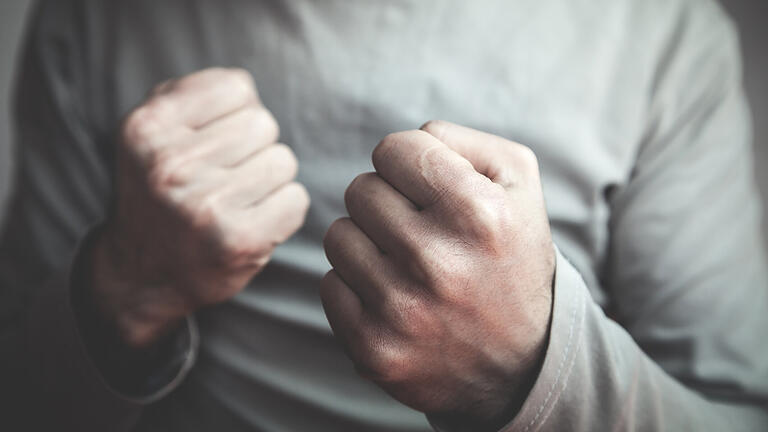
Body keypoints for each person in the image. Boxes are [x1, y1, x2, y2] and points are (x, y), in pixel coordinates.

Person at [1, 0, 767, 430]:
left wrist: (532, 372)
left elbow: (738, 412)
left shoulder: (665, 42)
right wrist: (128, 285)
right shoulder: (98, 19)